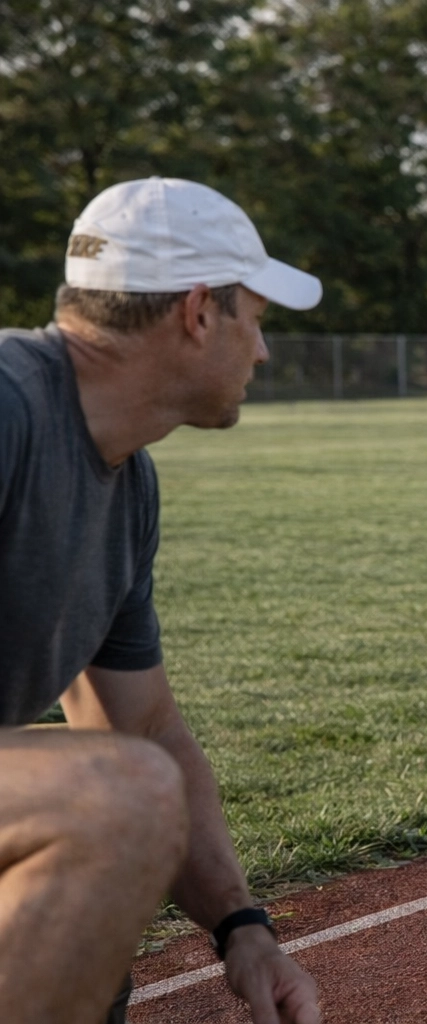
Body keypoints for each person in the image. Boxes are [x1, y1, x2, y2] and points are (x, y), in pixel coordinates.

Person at [0, 178, 324, 1023]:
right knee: (109, 799)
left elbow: (139, 726)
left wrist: (242, 927)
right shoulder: (5, 409)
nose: (261, 352)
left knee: (87, 915)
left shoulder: (127, 484)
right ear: (198, 313)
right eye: (254, 319)